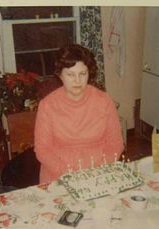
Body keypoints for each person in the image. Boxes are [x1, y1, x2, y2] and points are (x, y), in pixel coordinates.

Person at [34, 44, 124, 183]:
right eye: (70, 74)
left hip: (99, 172)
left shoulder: (104, 101)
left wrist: (99, 171)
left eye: (82, 73)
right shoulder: (47, 105)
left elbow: (115, 143)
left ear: (89, 73)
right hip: (58, 175)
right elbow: (42, 150)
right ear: (60, 75)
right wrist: (70, 174)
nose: (77, 80)